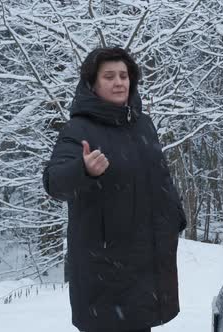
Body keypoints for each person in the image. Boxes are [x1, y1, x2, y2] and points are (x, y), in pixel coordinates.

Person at [42, 47, 187, 332]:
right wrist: (83, 170)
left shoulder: (143, 125)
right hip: (104, 267)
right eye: (109, 76)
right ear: (93, 84)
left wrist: (175, 217)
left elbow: (160, 176)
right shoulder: (79, 129)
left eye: (123, 75)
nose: (119, 82)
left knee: (140, 322)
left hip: (145, 263)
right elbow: (53, 183)